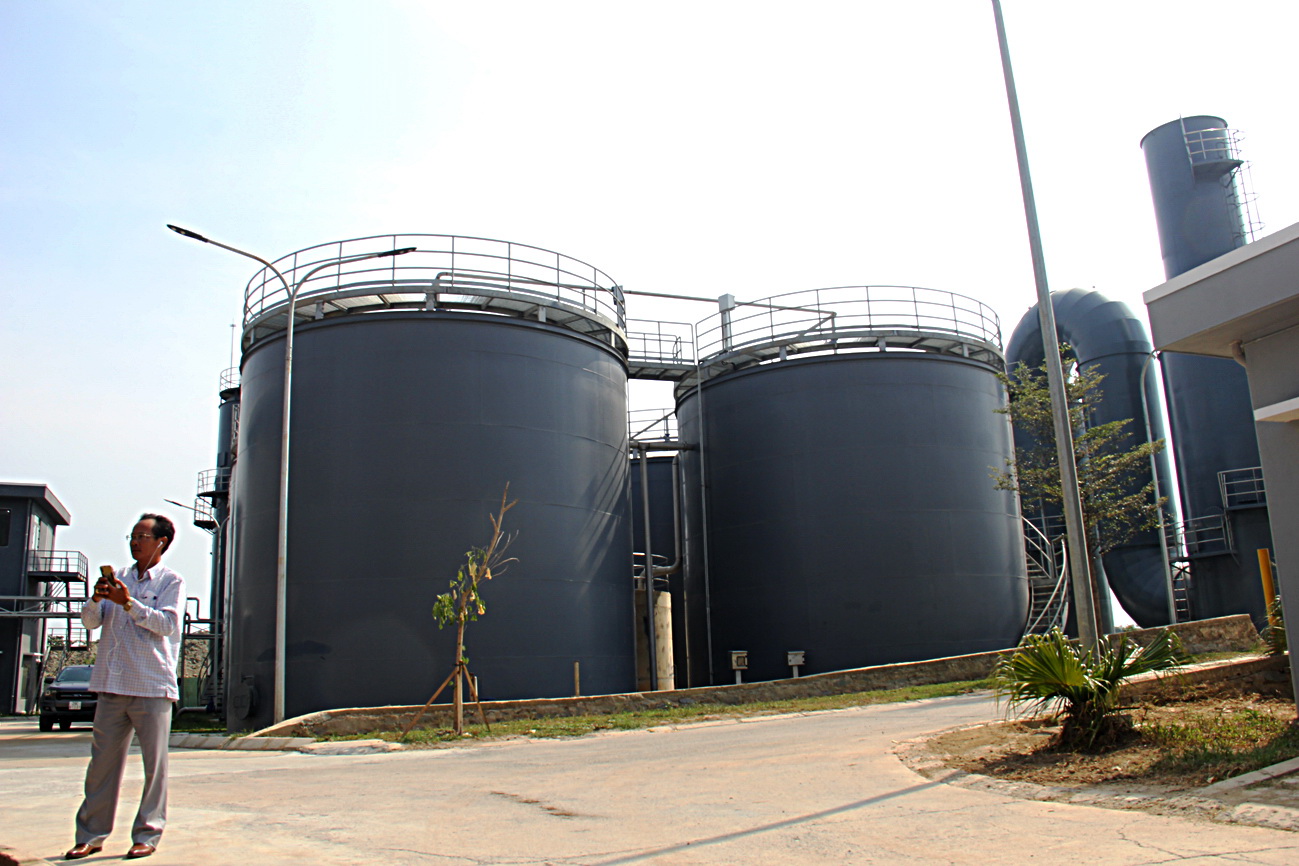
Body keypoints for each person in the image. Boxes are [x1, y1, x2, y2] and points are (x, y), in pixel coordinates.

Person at [65, 514, 184, 861]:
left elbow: (167, 624)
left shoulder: (170, 581)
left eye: (143, 536)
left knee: (154, 768)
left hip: (151, 686)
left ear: (161, 542)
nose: (135, 542)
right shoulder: (116, 578)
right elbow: (90, 622)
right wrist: (96, 598)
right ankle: (91, 834)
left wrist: (128, 604)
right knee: (101, 765)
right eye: (132, 535)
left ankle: (148, 834)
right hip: (112, 685)